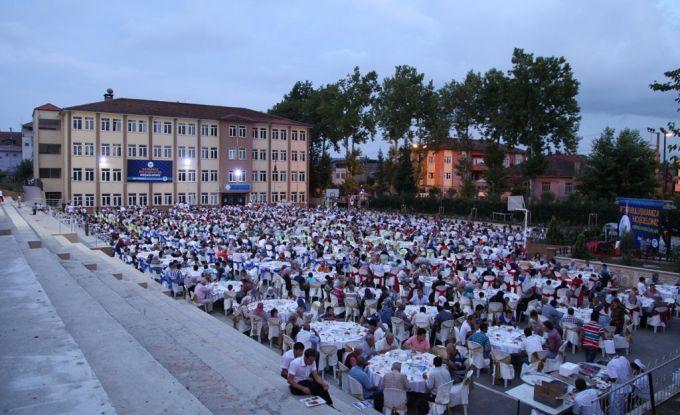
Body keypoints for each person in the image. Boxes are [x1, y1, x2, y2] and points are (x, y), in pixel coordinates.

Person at [604, 340, 632, 415]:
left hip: (618, 390)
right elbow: (629, 370)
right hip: (627, 386)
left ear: (608, 355)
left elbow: (614, 378)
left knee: (616, 409)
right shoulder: (623, 358)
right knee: (623, 406)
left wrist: (607, 379)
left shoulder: (611, 363)